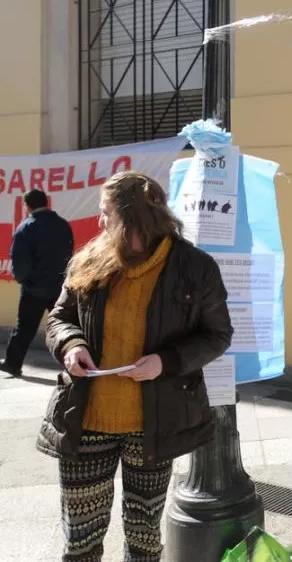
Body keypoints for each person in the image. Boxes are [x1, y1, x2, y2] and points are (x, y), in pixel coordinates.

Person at [37, 171, 233, 562]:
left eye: (106, 212)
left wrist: (166, 361)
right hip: (87, 417)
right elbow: (59, 318)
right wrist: (71, 346)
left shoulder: (194, 266)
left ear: (133, 216)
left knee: (144, 538)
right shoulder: (91, 258)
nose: (100, 222)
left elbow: (217, 335)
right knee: (81, 539)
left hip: (154, 424)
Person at [0, 189, 74, 377]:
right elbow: (70, 253)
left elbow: (21, 262)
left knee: (25, 328)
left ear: (27, 206)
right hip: (60, 287)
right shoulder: (63, 225)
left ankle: (12, 364)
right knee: (65, 326)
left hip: (34, 289)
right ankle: (76, 364)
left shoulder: (27, 228)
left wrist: (24, 280)